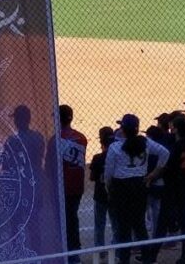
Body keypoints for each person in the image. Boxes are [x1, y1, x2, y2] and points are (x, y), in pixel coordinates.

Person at [105, 113, 169, 264]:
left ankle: (125, 259)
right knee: (139, 225)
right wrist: (153, 174)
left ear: (123, 129)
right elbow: (165, 153)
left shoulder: (115, 147)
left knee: (123, 227)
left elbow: (108, 172)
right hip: (140, 185)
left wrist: (109, 188)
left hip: (121, 188)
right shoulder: (145, 142)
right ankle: (147, 258)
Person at [149, 115, 185, 264]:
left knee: (163, 223)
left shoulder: (176, 147)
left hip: (173, 187)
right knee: (184, 221)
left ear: (175, 128)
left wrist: (153, 177)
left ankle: (152, 256)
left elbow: (167, 168)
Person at [47, 105, 88, 262]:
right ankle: (74, 253)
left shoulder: (54, 140)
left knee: (61, 220)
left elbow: (49, 166)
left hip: (60, 187)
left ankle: (63, 251)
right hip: (77, 186)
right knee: (72, 218)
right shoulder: (81, 138)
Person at [88, 126, 114, 254]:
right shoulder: (117, 156)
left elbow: (92, 177)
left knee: (99, 224)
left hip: (100, 194)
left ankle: (100, 249)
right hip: (114, 194)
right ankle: (117, 247)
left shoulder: (98, 158)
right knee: (116, 223)